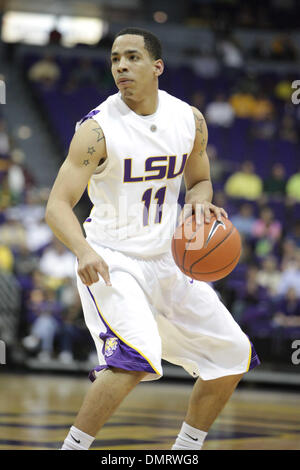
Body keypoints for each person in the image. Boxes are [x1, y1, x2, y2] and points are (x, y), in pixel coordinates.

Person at [45, 27, 260, 451]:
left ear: (157, 66)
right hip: (112, 259)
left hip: (169, 262)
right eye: (114, 60)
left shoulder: (189, 119)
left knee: (233, 354)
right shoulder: (96, 129)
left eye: (132, 57)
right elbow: (56, 206)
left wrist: (199, 203)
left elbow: (200, 181)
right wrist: (84, 251)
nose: (121, 66)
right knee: (136, 358)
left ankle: (185, 449)